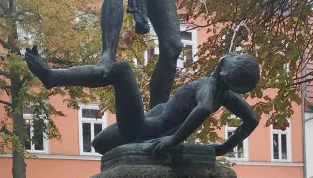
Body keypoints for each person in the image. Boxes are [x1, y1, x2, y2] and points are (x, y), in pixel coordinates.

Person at [25, 49, 260, 158]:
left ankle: (52, 77)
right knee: (99, 143)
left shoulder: (209, 87)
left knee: (121, 70)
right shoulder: (226, 95)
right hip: (147, 123)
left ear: (220, 65)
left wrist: (173, 140)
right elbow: (252, 119)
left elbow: (204, 108)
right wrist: (223, 148)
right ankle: (51, 77)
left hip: (142, 129)